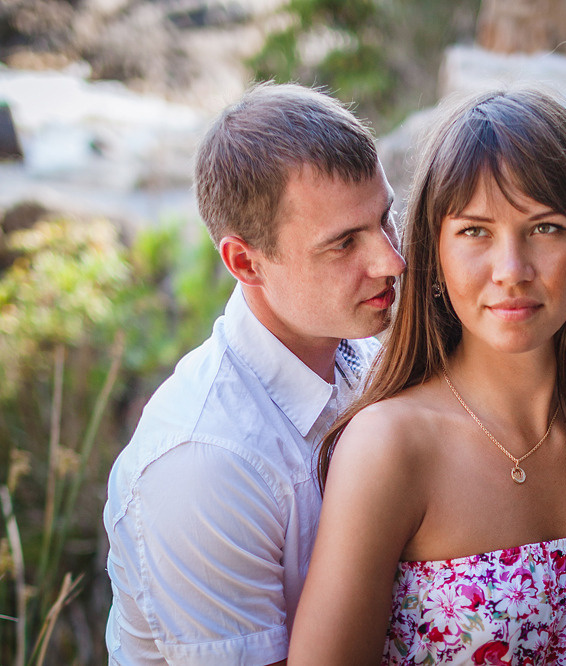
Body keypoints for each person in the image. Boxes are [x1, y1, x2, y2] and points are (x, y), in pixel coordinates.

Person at [288, 88, 566, 665]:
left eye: (545, 228)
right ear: (435, 254)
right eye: (476, 231)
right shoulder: (391, 445)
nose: (512, 271)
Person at [103, 82, 406, 665]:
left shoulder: (364, 356)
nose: (391, 260)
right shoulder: (203, 465)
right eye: (344, 243)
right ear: (246, 262)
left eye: (384, 218)